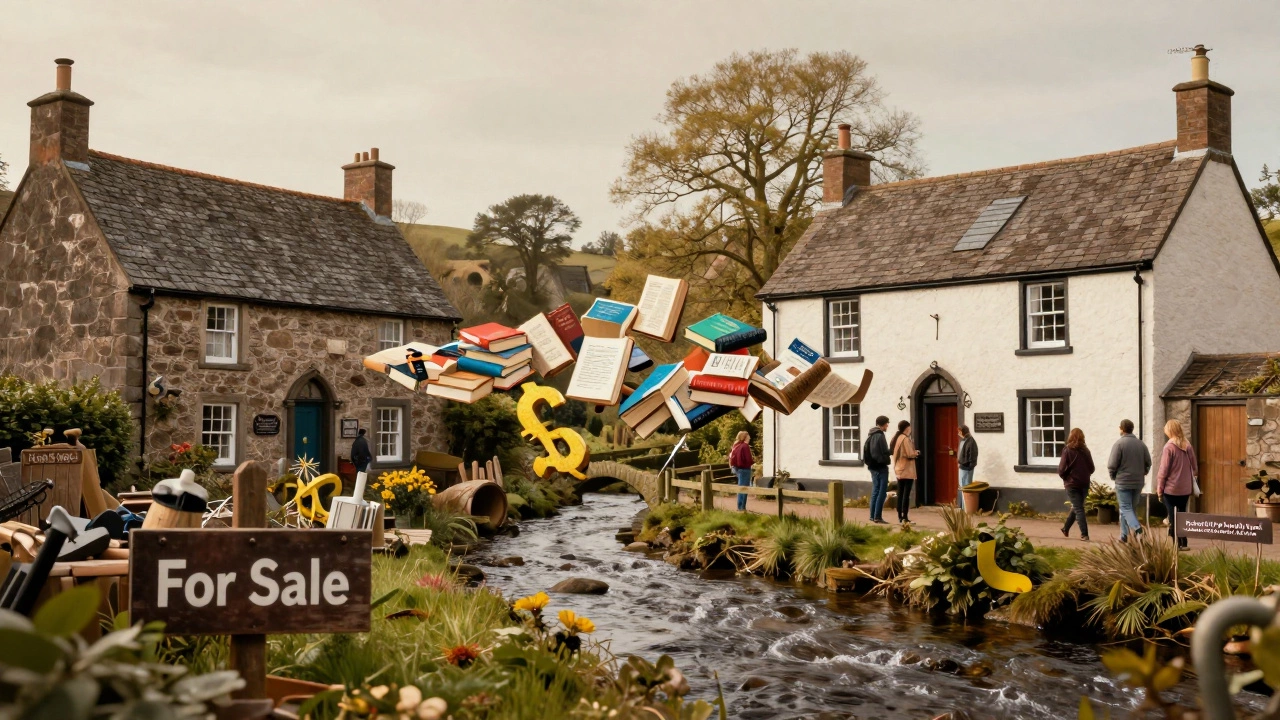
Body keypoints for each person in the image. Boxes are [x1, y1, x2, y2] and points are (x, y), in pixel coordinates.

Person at [1107, 419, 1152, 543]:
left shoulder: (1119, 444)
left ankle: (1138, 529)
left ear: (1121, 429)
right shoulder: (1141, 444)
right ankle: (1124, 535)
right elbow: (1148, 462)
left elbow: (1112, 464)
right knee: (1129, 509)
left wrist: (1113, 476)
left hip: (1123, 482)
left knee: (1126, 508)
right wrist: (1143, 472)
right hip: (1138, 482)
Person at [1156, 419, 1197, 551]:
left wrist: (1159, 488)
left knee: (1172, 516)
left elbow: (1163, 470)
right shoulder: (1188, 445)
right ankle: (1184, 542)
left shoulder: (1169, 447)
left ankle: (1176, 544)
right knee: (1182, 514)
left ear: (1170, 430)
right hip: (1185, 489)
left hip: (1171, 488)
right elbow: (1194, 467)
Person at [1058, 428, 1093, 541]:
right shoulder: (1086, 451)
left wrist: (1066, 477)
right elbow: (1092, 468)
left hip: (1072, 484)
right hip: (1084, 483)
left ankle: (1084, 534)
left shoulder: (1067, 450)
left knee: (1078, 508)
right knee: (1077, 506)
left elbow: (1061, 469)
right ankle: (1065, 528)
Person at [863, 416, 892, 524]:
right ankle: (877, 516)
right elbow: (881, 452)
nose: (887, 426)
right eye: (887, 424)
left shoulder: (871, 434)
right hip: (880, 467)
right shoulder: (880, 435)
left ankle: (872, 515)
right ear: (883, 424)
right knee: (882, 492)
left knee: (875, 491)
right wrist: (890, 452)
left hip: (872, 467)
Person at [891, 420, 920, 524]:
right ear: (907, 428)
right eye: (909, 427)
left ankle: (900, 515)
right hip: (906, 470)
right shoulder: (905, 439)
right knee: (906, 494)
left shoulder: (898, 438)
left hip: (899, 468)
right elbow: (909, 453)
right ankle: (905, 516)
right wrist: (916, 453)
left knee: (900, 493)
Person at [729, 431, 755, 512]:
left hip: (738, 469)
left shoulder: (736, 445)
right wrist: (753, 462)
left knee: (740, 487)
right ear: (745, 437)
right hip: (745, 469)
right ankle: (742, 508)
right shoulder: (745, 446)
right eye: (748, 436)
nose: (750, 438)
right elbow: (748, 459)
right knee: (744, 488)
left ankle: (740, 507)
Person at [956, 425, 978, 493]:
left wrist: (970, 467)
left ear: (963, 432)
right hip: (963, 467)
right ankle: (963, 500)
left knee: (966, 487)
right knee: (962, 486)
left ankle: (966, 500)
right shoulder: (964, 440)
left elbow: (972, 455)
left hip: (967, 468)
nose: (958, 434)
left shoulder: (970, 442)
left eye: (959, 432)